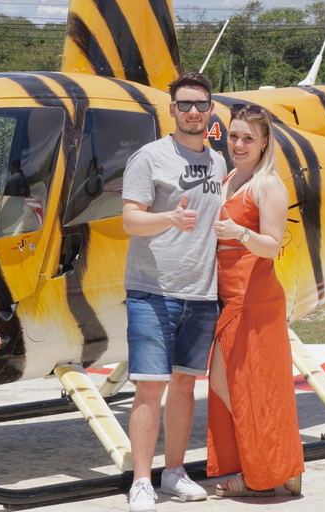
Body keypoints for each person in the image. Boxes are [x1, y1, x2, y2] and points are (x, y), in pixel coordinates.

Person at [121, 71, 226, 512]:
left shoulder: (219, 162)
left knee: (184, 387)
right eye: (184, 105)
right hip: (153, 290)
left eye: (200, 105)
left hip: (202, 293)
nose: (193, 112)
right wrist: (169, 220)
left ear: (211, 111)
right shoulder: (150, 158)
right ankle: (142, 481)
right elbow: (130, 220)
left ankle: (175, 471)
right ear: (172, 110)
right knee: (150, 388)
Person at [207, 103, 305, 497]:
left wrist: (238, 233)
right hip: (231, 296)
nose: (239, 144)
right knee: (242, 384)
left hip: (253, 297)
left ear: (265, 143)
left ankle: (263, 472)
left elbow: (272, 245)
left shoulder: (268, 185)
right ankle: (279, 464)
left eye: (249, 138)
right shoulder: (232, 177)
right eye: (234, 136)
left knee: (249, 386)